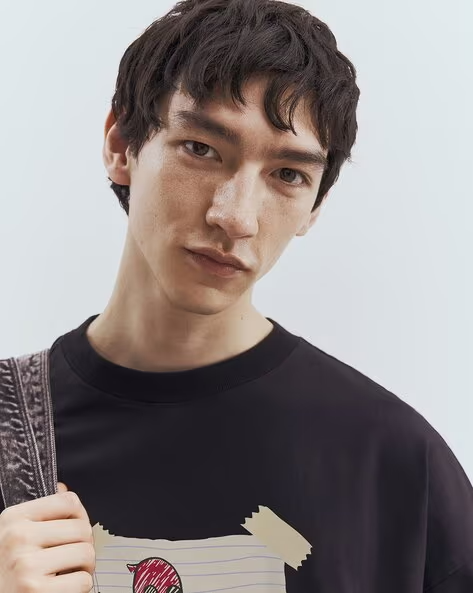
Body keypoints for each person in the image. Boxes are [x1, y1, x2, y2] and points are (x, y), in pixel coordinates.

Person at [1, 0, 472, 591]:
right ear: (122, 145)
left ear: (315, 206)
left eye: (288, 175)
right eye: (201, 149)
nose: (236, 217)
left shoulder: (393, 463)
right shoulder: (9, 428)